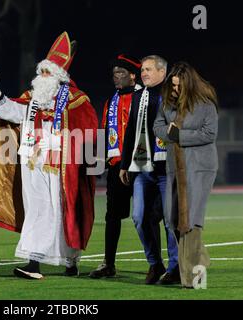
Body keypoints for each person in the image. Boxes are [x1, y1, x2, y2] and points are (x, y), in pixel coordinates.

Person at [0, 31, 98, 280]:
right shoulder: (32, 100)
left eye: (48, 73)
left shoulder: (77, 101)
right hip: (32, 165)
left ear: (59, 77)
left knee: (62, 212)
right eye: (42, 72)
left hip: (61, 168)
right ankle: (33, 264)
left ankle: (69, 260)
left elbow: (90, 133)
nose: (42, 76)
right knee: (38, 210)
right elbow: (10, 112)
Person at [153, 61, 218, 289]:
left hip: (200, 168)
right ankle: (197, 266)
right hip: (175, 167)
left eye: (179, 86)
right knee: (174, 220)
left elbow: (209, 134)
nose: (175, 90)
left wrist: (179, 135)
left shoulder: (205, 104)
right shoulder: (168, 105)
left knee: (191, 220)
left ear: (189, 84)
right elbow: (158, 128)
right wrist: (171, 133)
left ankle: (192, 278)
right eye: (173, 86)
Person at [119, 55, 179, 285]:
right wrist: (125, 164)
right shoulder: (138, 96)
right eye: (143, 69)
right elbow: (131, 130)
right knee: (139, 217)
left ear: (163, 72)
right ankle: (155, 264)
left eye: (149, 69)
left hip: (166, 168)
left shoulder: (172, 94)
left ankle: (175, 267)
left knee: (170, 220)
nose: (143, 73)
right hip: (142, 166)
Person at [89, 54, 142, 279]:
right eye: (114, 74)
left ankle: (158, 264)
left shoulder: (143, 97)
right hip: (115, 165)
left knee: (147, 216)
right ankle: (108, 263)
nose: (116, 78)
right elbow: (103, 132)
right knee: (112, 216)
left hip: (140, 165)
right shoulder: (111, 101)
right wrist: (100, 161)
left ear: (132, 75)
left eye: (121, 74)